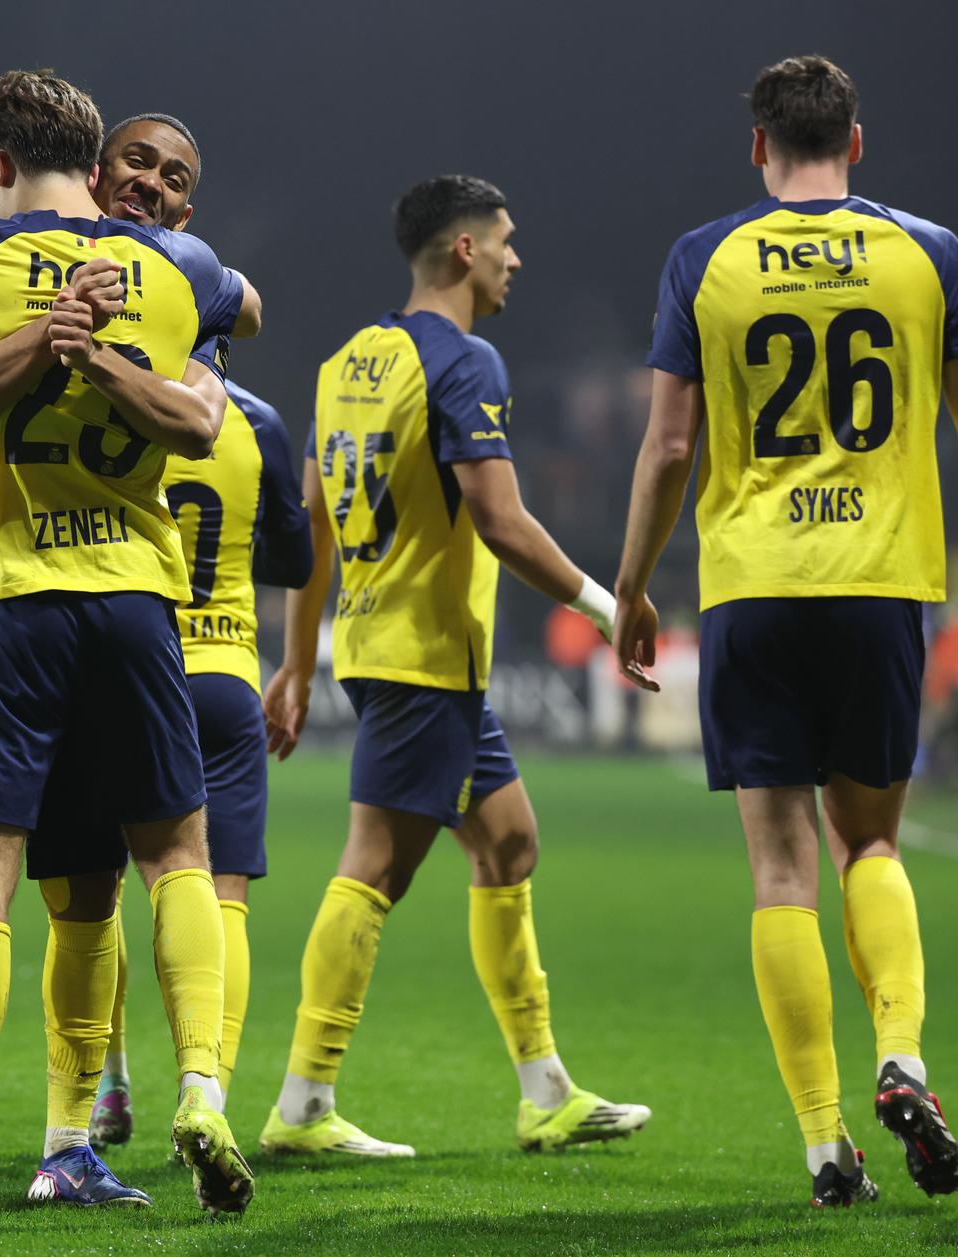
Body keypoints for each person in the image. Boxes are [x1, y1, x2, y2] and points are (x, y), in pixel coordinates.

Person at [611, 55, 958, 1207]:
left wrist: (636, 583)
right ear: (858, 141)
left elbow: (664, 449)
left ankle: (824, 1145)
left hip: (752, 586)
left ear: (757, 147)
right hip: (882, 583)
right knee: (874, 848)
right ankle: (902, 1051)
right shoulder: (928, 252)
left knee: (782, 871)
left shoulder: (705, 258)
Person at [0, 69, 252, 1217]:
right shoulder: (183, 271)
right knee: (161, 863)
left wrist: (39, 338)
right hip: (133, 600)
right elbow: (225, 356)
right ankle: (185, 1096)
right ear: (101, 160)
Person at [264, 174, 651, 1160]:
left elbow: (312, 521)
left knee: (509, 843)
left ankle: (546, 1092)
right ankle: (302, 1104)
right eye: (505, 240)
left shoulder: (348, 360)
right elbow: (499, 519)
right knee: (374, 869)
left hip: (387, 645)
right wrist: (610, 607)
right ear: (462, 251)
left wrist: (301, 663)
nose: (516, 257)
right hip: (424, 654)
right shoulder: (464, 360)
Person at [83, 115, 312, 1147]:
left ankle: (108, 1083)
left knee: (96, 886)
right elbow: (296, 564)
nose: (154, 182)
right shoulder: (249, 419)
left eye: (171, 175)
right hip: (221, 663)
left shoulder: (82, 366)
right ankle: (205, 1089)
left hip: (117, 648)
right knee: (213, 888)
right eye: (143, 164)